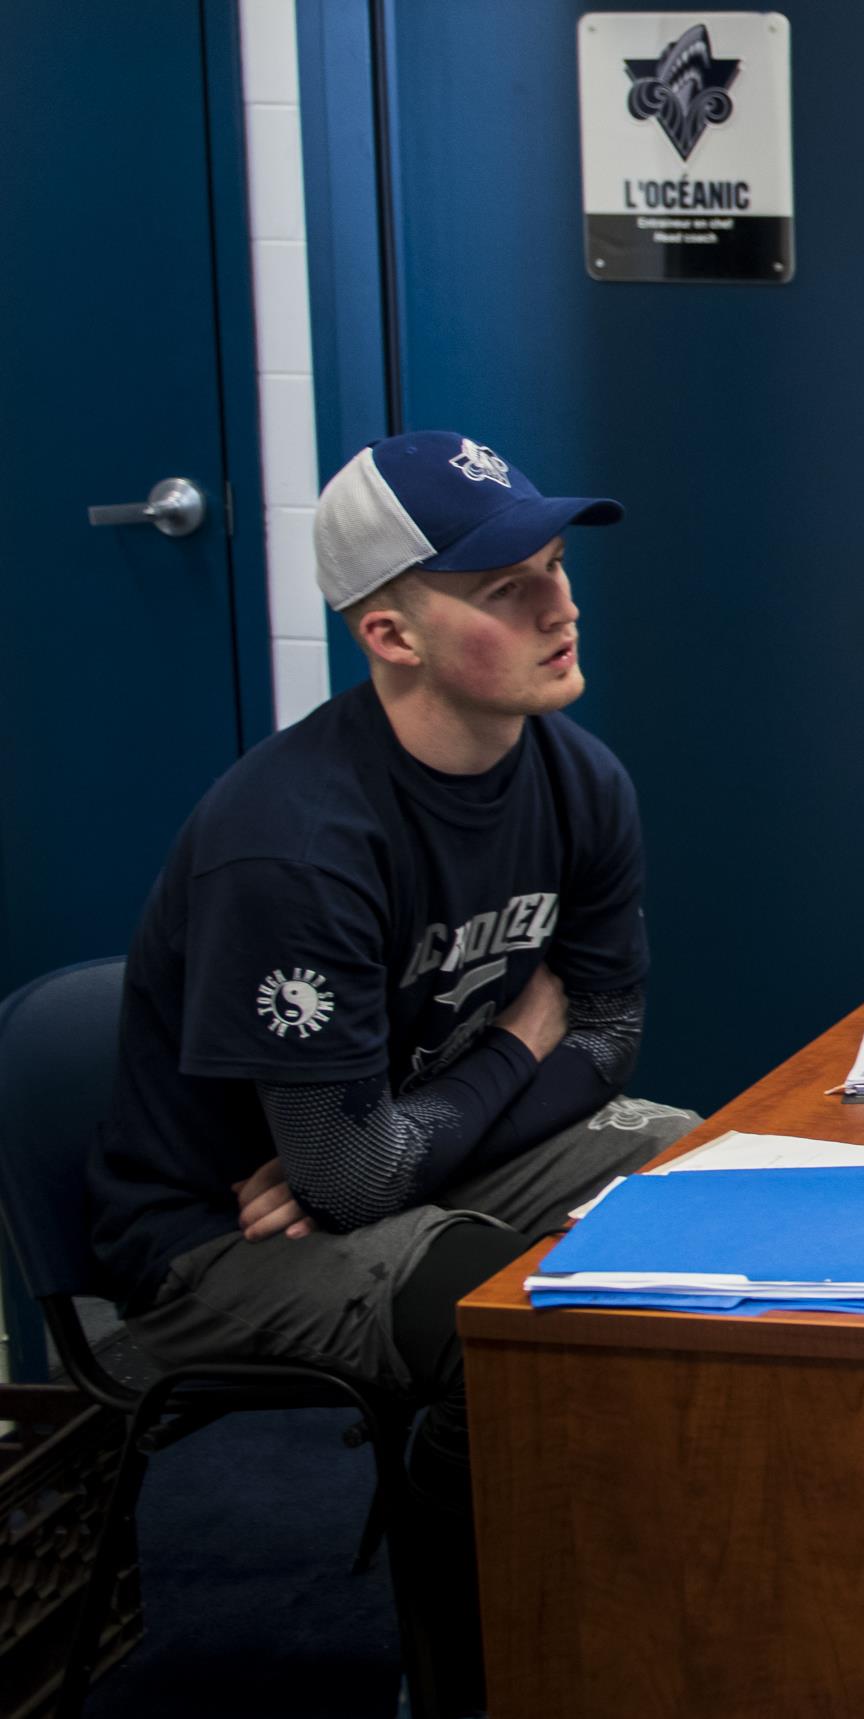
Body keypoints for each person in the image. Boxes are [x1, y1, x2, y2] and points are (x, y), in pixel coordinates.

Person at [86, 431, 703, 1716]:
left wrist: (421, 1137)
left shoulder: (581, 782)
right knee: (509, 1316)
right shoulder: (295, 845)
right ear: (391, 637)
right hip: (214, 1238)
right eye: (504, 591)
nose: (560, 605)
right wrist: (519, 1044)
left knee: (703, 1176)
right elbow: (360, 1168)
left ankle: (687, 1600)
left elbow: (611, 1042)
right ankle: (480, 1673)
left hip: (373, 1166)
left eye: (553, 566)